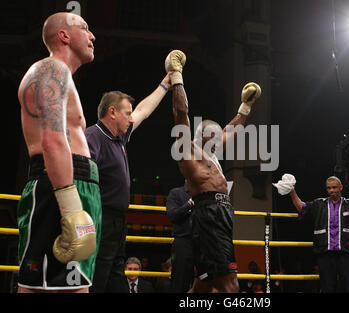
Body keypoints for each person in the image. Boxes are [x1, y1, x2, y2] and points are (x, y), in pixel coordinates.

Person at [16, 12, 100, 293]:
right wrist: (71, 206)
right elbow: (52, 140)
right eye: (85, 29)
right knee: (38, 285)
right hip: (60, 184)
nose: (92, 36)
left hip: (76, 184)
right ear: (64, 36)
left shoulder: (62, 75)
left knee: (75, 286)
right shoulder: (50, 71)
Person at [166, 49, 261, 293]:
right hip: (209, 217)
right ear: (203, 137)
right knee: (230, 283)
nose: (221, 142)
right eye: (215, 138)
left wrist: (245, 106)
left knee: (205, 282)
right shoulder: (188, 150)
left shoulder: (213, 153)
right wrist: (177, 76)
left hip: (220, 216)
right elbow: (181, 113)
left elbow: (234, 127)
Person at [86, 77, 171, 293]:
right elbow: (82, 177)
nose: (131, 117)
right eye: (127, 113)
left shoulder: (119, 138)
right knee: (99, 276)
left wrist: (164, 85)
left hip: (118, 221)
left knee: (116, 278)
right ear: (112, 112)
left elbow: (144, 110)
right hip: (100, 217)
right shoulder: (93, 137)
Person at [287, 175, 349, 293]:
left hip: (346, 252)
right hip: (325, 252)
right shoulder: (319, 204)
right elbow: (301, 208)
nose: (331, 190)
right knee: (327, 288)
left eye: (334, 187)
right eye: (329, 188)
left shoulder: (348, 203)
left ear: (341, 187)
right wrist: (292, 191)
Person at [166, 182, 195, 292]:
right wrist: (190, 203)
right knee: (180, 280)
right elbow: (173, 215)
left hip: (203, 242)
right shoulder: (176, 193)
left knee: (205, 278)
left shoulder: (206, 194)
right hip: (184, 241)